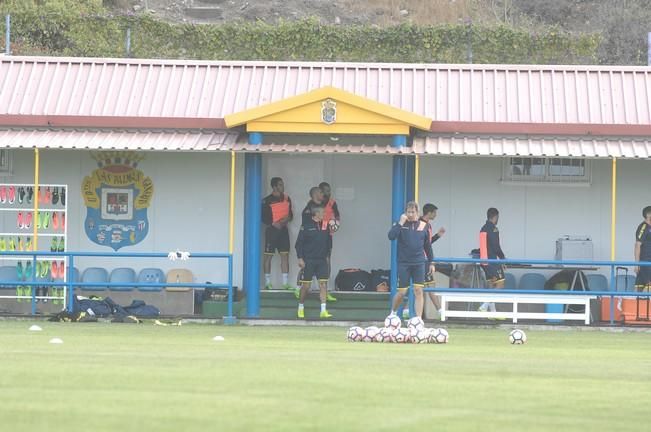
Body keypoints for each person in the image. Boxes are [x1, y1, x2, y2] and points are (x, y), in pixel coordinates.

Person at [388, 201, 434, 319]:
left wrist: (431, 262)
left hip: (419, 263)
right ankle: (393, 313)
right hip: (404, 263)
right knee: (402, 292)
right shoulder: (400, 224)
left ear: (418, 213)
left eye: (413, 212)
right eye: (408, 212)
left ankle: (418, 319)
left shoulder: (424, 226)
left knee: (418, 290)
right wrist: (400, 223)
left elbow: (427, 246)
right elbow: (391, 236)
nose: (410, 214)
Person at [295, 206, 332, 319]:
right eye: (322, 212)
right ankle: (300, 308)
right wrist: (300, 258)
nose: (324, 214)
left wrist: (327, 256)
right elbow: (298, 244)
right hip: (309, 260)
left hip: (321, 260)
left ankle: (323, 310)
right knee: (306, 286)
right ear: (316, 214)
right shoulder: (306, 226)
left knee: (323, 285)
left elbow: (328, 243)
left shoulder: (326, 226)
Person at [261, 177, 293, 290]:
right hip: (272, 231)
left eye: (282, 184)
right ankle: (267, 283)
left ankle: (285, 284)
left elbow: (291, 215)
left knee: (285, 256)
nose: (282, 187)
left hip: (283, 231)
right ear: (274, 187)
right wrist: (274, 223)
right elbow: (263, 218)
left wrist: (285, 220)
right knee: (268, 256)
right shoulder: (267, 200)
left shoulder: (287, 198)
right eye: (280, 185)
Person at [478, 207, 506, 315]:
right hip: (492, 260)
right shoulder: (493, 229)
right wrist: (502, 258)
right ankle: (484, 306)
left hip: (484, 261)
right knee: (500, 283)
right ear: (495, 217)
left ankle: (493, 312)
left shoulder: (483, 228)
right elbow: (496, 246)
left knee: (492, 285)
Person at [420, 203, 446, 318]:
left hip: (423, 260)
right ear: (429, 213)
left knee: (422, 287)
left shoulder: (425, 225)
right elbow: (424, 244)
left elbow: (427, 243)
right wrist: (431, 261)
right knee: (427, 288)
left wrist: (437, 236)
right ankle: (441, 312)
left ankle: (440, 311)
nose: (436, 215)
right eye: (435, 212)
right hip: (423, 261)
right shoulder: (422, 225)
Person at [320, 182, 340, 301]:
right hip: (315, 237)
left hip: (327, 236)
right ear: (320, 192)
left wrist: (335, 225)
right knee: (310, 261)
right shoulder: (314, 203)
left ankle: (325, 292)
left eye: (329, 190)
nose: (328, 192)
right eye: (326, 190)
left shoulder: (332, 203)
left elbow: (337, 217)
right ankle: (300, 287)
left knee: (327, 261)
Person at [634, 206, 651, 292]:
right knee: (642, 287)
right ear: (648, 215)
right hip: (645, 262)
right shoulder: (643, 227)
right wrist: (637, 264)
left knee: (640, 287)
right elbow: (637, 245)